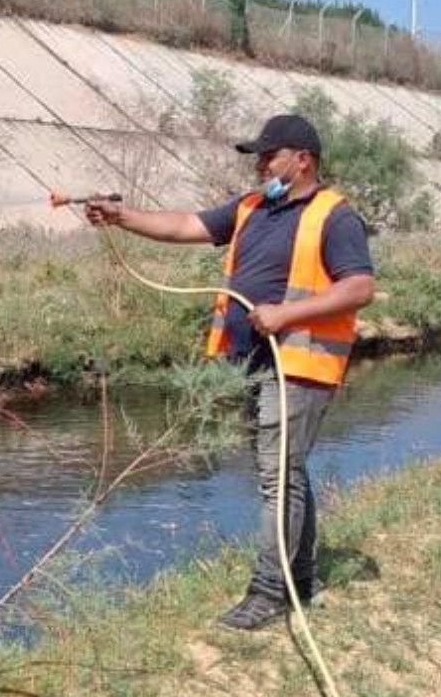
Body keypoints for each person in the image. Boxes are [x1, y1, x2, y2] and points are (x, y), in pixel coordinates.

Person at [85, 114, 375, 631]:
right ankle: (299, 579)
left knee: (278, 479)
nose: (260, 165)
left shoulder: (335, 216)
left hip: (300, 364)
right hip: (256, 364)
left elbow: (359, 288)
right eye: (258, 157)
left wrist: (285, 314)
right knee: (286, 474)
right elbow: (185, 226)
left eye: (268, 156)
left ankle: (269, 592)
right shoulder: (251, 207)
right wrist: (120, 216)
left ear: (302, 160)